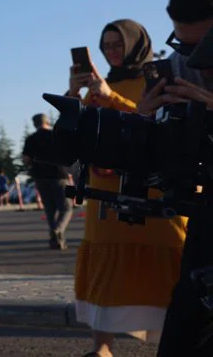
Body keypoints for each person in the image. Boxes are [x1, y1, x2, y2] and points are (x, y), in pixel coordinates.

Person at [68, 19, 186, 355]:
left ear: (135, 43)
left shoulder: (155, 80)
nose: (111, 52)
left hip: (152, 189)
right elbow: (72, 132)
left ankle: (172, 343)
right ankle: (101, 347)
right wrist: (75, 93)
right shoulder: (99, 86)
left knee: (168, 268)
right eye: (105, 46)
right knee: (107, 267)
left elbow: (154, 124)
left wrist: (110, 96)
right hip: (104, 189)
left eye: (118, 44)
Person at [154, 0, 213, 355]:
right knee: (184, 322)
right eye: (183, 45)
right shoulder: (178, 64)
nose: (194, 62)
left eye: (203, 48)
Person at [22, 113, 73, 250]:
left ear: (35, 124)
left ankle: (55, 240)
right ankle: (58, 229)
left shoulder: (31, 139)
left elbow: (26, 159)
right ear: (47, 121)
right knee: (66, 208)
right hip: (58, 175)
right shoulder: (55, 135)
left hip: (40, 177)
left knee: (50, 210)